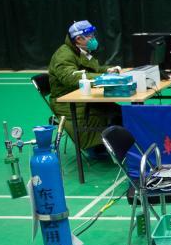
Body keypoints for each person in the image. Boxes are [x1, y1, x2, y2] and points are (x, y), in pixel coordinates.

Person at [48, 20, 121, 158]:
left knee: (117, 111)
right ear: (78, 39)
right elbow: (71, 77)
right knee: (104, 114)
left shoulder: (80, 51)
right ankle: (97, 147)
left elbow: (93, 70)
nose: (93, 39)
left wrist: (107, 71)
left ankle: (115, 141)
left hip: (83, 96)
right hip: (68, 102)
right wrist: (102, 78)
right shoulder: (64, 55)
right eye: (90, 36)